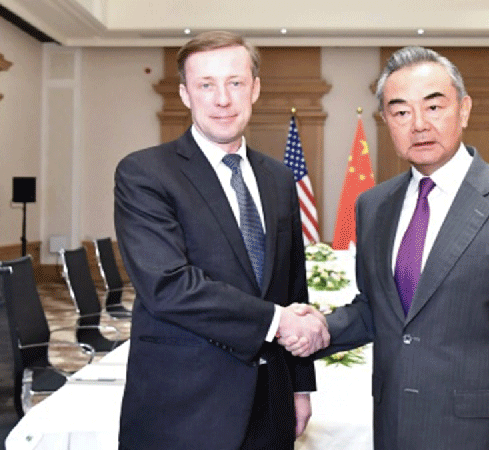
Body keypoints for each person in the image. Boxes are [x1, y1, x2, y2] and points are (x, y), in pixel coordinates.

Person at [283, 46, 489, 450]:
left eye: (434, 107)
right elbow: (376, 309)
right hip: (393, 425)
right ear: (386, 121)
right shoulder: (373, 205)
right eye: (400, 112)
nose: (418, 125)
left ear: (464, 109)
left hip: (479, 435)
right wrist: (315, 329)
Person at [114, 31, 329, 450]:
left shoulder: (279, 179)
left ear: (255, 88)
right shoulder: (145, 174)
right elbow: (168, 286)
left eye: (235, 82)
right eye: (206, 85)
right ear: (184, 94)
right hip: (183, 407)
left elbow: (292, 287)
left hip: (271, 403)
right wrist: (277, 321)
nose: (222, 99)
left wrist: (300, 388)